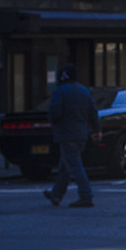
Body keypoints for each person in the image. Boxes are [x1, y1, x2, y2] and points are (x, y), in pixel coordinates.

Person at [43, 64, 98, 208]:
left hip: (66, 134)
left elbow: (55, 113)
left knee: (74, 166)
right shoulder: (84, 91)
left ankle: (86, 196)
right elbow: (93, 112)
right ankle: (56, 194)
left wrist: (54, 122)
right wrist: (96, 129)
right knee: (65, 166)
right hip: (81, 134)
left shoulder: (60, 91)